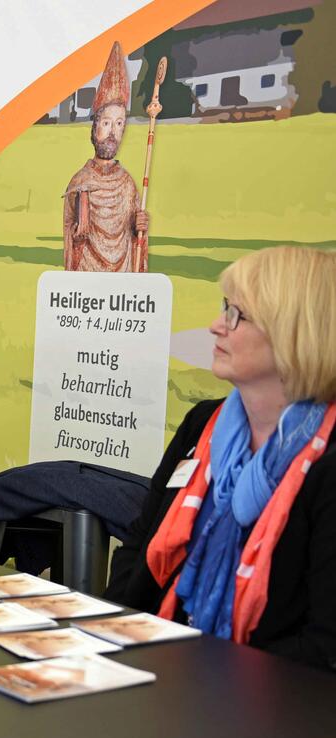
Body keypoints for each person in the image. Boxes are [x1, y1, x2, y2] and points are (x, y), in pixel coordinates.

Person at [105, 246, 336, 667]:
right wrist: (110, 638)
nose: (215, 326)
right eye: (223, 308)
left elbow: (325, 647)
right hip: (153, 664)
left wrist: (197, 670)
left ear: (293, 333)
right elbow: (139, 544)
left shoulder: (328, 463)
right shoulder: (202, 425)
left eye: (236, 314)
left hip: (262, 693)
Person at [62, 41, 150, 272]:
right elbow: (70, 238)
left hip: (121, 280)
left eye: (119, 124)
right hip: (88, 279)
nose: (112, 132)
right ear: (95, 127)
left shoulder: (127, 184)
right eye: (106, 123)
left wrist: (139, 228)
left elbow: (135, 240)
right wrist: (77, 233)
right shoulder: (80, 182)